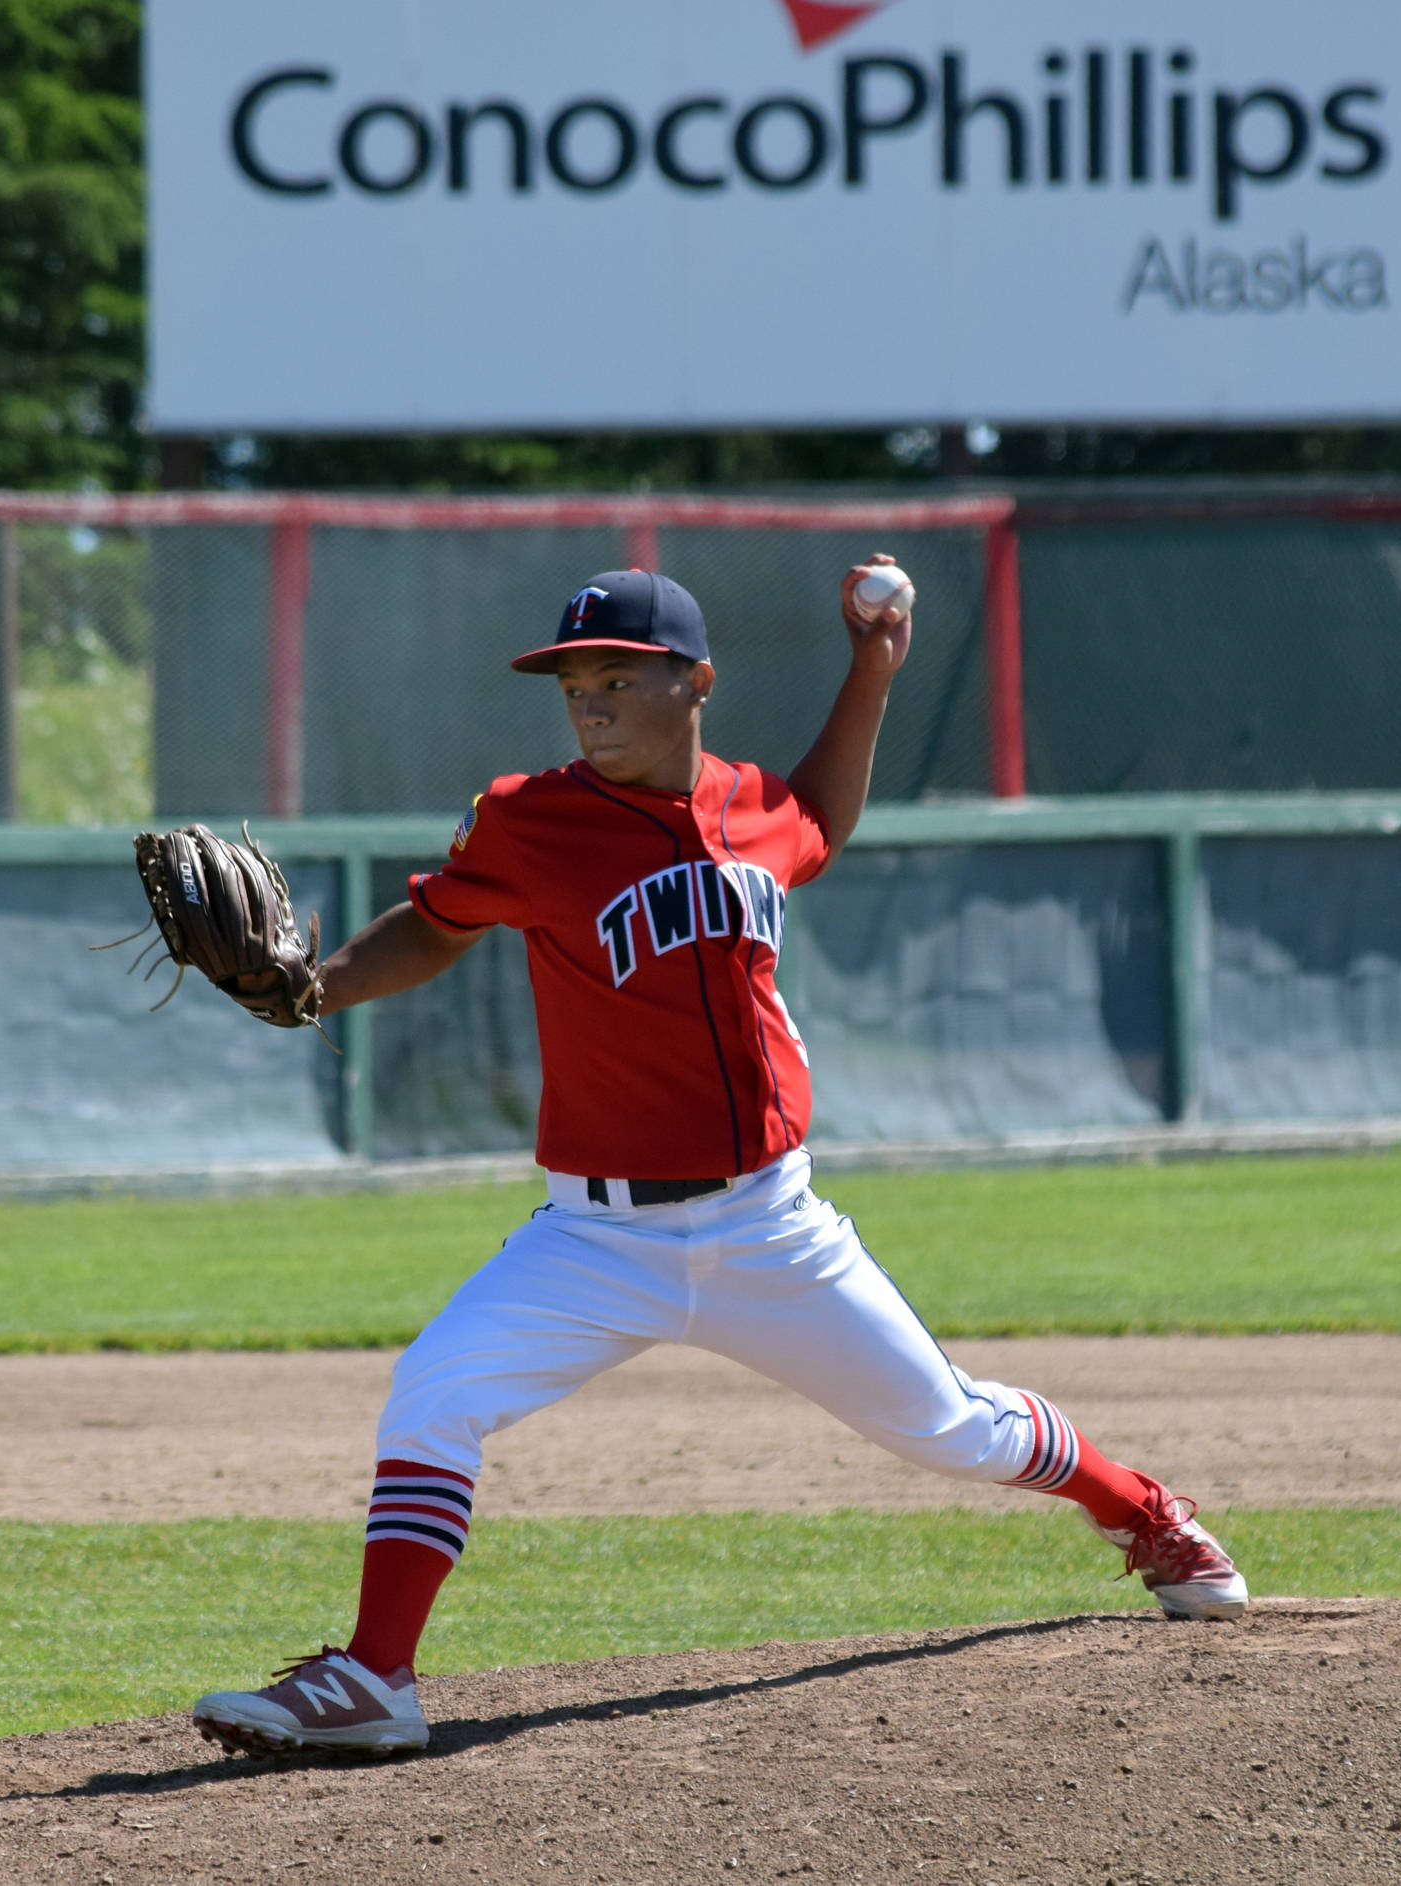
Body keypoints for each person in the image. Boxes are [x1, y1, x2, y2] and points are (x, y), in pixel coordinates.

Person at [192, 558, 1248, 1759]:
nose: (587, 703)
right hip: (595, 1235)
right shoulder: (529, 818)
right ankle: (377, 1675)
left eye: (615, 679)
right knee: (435, 1392)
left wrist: (872, 668)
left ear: (695, 682)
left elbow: (821, 819)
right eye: (573, 683)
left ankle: (1142, 1509)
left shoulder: (750, 806)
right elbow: (436, 927)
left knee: (951, 1427)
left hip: (768, 1227)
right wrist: (316, 991)